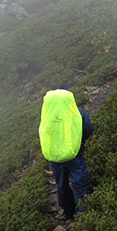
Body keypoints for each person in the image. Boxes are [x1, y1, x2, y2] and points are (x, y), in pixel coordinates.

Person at [38, 84, 94, 219]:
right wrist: (79, 143)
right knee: (79, 181)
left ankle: (68, 211)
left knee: (61, 184)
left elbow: (42, 134)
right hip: (74, 154)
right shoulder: (77, 112)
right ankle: (84, 213)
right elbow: (88, 129)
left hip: (55, 157)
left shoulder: (48, 116)